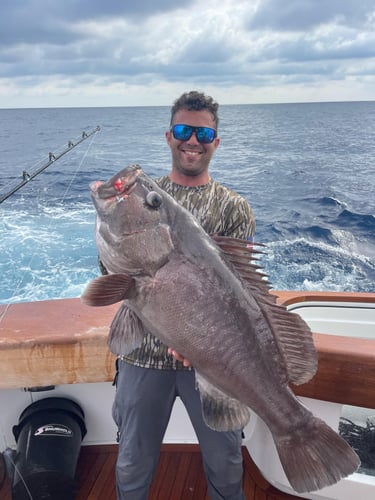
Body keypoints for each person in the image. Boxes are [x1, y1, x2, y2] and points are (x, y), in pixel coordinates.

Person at [109, 90, 256, 499]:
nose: (193, 140)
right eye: (183, 130)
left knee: (226, 466)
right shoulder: (141, 202)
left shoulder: (234, 208)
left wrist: (201, 340)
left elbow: (239, 294)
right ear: (168, 136)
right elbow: (111, 274)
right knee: (131, 464)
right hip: (142, 356)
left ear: (216, 142)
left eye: (203, 133)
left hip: (213, 364)